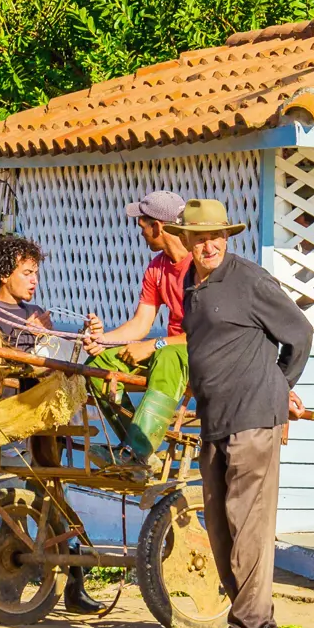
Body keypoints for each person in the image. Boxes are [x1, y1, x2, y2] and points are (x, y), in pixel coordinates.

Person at [164, 198, 313, 628]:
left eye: (217, 236)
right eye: (200, 237)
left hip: (252, 418)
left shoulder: (249, 280)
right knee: (220, 526)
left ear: (227, 238)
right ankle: (259, 623)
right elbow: (207, 346)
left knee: (247, 522)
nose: (209, 245)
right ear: (185, 240)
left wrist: (279, 384)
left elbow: (300, 334)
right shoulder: (191, 283)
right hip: (215, 418)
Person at [0, 235, 106, 615]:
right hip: (6, 419)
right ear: (5, 274)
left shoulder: (36, 311)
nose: (34, 280)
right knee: (8, 499)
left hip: (43, 421)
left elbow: (56, 353)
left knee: (50, 494)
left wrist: (87, 337)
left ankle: (74, 583)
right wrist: (32, 339)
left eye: (36, 273)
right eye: (27, 272)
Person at [80, 191, 192, 459]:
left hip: (198, 353)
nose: (140, 232)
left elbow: (210, 334)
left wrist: (154, 344)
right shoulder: (157, 267)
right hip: (170, 351)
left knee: (166, 354)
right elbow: (141, 323)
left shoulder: (199, 265)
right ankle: (136, 448)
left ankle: (136, 452)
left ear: (158, 226)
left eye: (142, 225)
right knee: (98, 365)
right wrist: (103, 340)